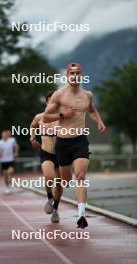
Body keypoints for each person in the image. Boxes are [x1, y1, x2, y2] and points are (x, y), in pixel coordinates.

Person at [43, 63, 106, 228]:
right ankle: (60, 195)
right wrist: (62, 115)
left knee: (80, 176)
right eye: (72, 73)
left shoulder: (87, 95)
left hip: (80, 141)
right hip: (62, 143)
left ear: (82, 75)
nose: (75, 76)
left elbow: (91, 110)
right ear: (67, 75)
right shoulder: (59, 95)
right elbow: (46, 117)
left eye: (78, 73)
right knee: (65, 180)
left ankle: (81, 215)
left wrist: (99, 121)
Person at [30, 91, 63, 223]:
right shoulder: (39, 117)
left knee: (59, 184)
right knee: (49, 178)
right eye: (50, 101)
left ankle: (55, 209)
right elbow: (32, 126)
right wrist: (32, 138)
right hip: (46, 152)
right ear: (46, 102)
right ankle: (49, 197)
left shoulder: (62, 117)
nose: (53, 104)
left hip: (61, 154)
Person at [0, 130, 19, 194]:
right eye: (3, 135)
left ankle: (10, 178)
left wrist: (16, 153)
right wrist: (0, 155)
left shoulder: (12, 140)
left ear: (7, 135)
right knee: (5, 175)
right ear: (2, 135)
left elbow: (16, 147)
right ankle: (7, 187)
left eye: (6, 134)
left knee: (10, 171)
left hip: (11, 160)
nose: (5, 136)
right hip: (3, 161)